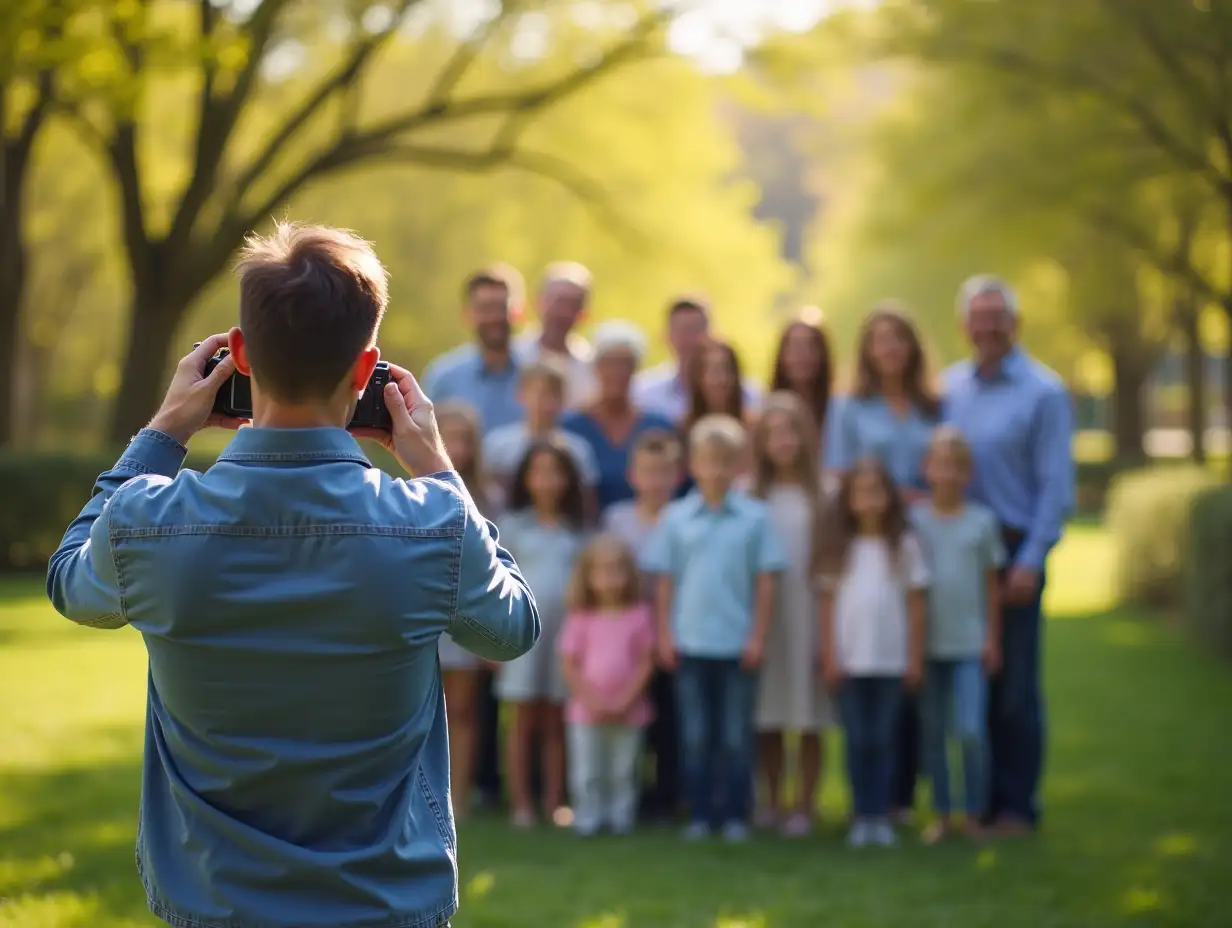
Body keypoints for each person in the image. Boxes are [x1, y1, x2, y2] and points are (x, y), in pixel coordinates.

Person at [45, 222, 539, 928]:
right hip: (386, 901)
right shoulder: (432, 523)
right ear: (366, 372)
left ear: (239, 355)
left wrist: (163, 433)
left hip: (212, 900)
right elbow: (512, 627)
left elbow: (69, 581)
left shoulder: (146, 520)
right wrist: (438, 467)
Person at [942, 274, 1074, 836]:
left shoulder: (1044, 392)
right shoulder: (949, 388)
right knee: (972, 680)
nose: (988, 327)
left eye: (998, 316)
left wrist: (1032, 559)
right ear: (964, 326)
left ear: (1015, 324)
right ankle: (975, 803)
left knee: (1015, 683)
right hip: (960, 549)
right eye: (979, 316)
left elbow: (1055, 486)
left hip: (1015, 549)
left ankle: (1017, 805)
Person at [641, 415, 788, 843]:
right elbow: (664, 582)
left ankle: (736, 814)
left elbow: (765, 584)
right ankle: (702, 813)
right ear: (694, 465)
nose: (718, 470)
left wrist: (757, 637)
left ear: (739, 465)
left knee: (735, 735)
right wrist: (665, 635)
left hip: (738, 643)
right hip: (690, 642)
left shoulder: (756, 519)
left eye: (727, 461)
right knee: (697, 733)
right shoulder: (676, 518)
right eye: (709, 461)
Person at [825, 301, 941, 822]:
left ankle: (902, 798)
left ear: (913, 347)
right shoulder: (850, 408)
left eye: (899, 337)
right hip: (866, 538)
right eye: (879, 339)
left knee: (913, 682)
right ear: (867, 351)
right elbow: (839, 474)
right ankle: (871, 804)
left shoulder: (933, 405)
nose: (889, 348)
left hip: (922, 542)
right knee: (868, 699)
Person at [818, 458, 928, 849]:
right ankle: (859, 813)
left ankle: (880, 814)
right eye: (860, 492)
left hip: (890, 661)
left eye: (876, 491)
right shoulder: (838, 548)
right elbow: (827, 605)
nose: (869, 500)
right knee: (856, 739)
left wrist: (915, 658)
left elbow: (917, 605)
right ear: (847, 499)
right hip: (849, 661)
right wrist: (829, 654)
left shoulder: (904, 545)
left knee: (883, 738)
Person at [910, 426, 1005, 843]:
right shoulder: (914, 523)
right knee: (933, 733)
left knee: (969, 730)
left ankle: (974, 813)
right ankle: (943, 813)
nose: (946, 474)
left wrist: (993, 639)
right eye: (938, 464)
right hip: (927, 645)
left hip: (968, 643)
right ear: (925, 469)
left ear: (967, 473)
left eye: (955, 466)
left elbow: (991, 587)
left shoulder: (982, 522)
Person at [748, 392, 833, 837]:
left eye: (790, 430)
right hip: (767, 615)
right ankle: (773, 798)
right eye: (772, 432)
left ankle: (806, 803)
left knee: (810, 712)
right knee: (770, 711)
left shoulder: (825, 494)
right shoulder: (750, 494)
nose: (782, 441)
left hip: (811, 611)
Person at [496, 440, 588, 828]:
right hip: (521, 634)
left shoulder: (578, 532)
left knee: (556, 717)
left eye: (556, 472)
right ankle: (519, 802)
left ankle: (554, 800)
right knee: (522, 719)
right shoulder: (513, 527)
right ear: (526, 479)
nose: (547, 480)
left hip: (564, 637)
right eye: (539, 472)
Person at [601, 429, 685, 821]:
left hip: (673, 631)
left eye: (664, 472)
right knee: (628, 718)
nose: (656, 481)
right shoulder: (616, 519)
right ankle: (624, 795)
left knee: (669, 718)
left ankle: (668, 795)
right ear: (633, 476)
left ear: (678, 476)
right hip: (623, 635)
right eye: (648, 472)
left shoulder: (685, 518)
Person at [557, 534, 657, 836]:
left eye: (617, 570)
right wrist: (591, 700)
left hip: (630, 710)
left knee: (622, 769)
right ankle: (588, 817)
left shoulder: (639, 615)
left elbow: (645, 661)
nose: (610, 579)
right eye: (601, 571)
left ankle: (620, 817)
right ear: (587, 577)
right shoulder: (581, 617)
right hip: (585, 711)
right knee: (587, 769)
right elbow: (569, 663)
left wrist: (626, 699)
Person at [434, 401, 502, 820]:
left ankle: (457, 798)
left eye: (465, 439)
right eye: (449, 437)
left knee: (463, 711)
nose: (457, 447)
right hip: (427, 610)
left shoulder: (489, 497)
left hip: (468, 612)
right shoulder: (406, 487)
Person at [560, 322, 676, 512]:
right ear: (596, 368)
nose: (617, 372)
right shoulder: (572, 426)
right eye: (609, 364)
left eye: (625, 365)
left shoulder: (658, 425)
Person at [422, 266, 525, 434]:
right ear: (468, 314)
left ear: (518, 312)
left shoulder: (535, 376)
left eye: (501, 308)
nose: (494, 317)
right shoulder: (444, 378)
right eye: (485, 309)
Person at [634, 296, 761, 424]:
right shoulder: (644, 393)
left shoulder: (750, 394)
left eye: (697, 330)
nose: (690, 340)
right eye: (683, 331)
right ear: (666, 337)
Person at [483, 358, 600, 495]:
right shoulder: (497, 445)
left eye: (554, 395)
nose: (547, 403)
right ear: (521, 394)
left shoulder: (577, 450)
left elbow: (586, 499)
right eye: (540, 394)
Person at [513, 261, 596, 406]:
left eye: (573, 305)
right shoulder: (514, 356)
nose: (563, 312)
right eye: (558, 302)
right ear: (539, 302)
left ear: (583, 314)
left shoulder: (591, 366)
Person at [768, 307, 834, 442]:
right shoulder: (766, 414)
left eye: (810, 346)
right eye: (795, 347)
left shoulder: (838, 410)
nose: (802, 356)